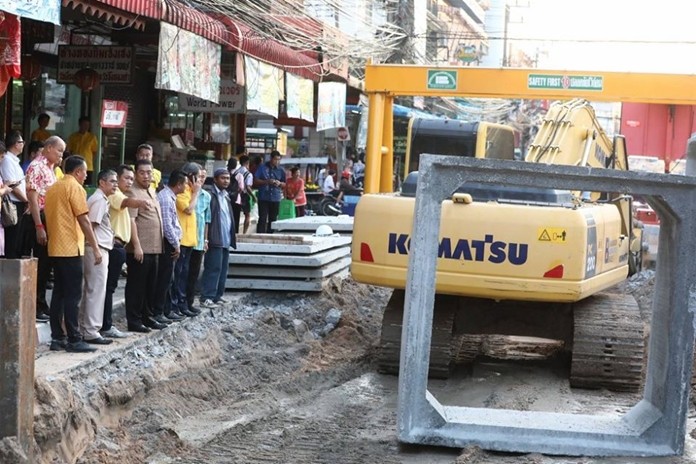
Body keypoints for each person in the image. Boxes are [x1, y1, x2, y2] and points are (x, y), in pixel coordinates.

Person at [44, 155, 102, 353]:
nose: (86, 176)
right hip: (70, 248)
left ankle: (57, 338)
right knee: (72, 295)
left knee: (59, 293)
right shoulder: (75, 187)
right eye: (85, 172)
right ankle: (74, 339)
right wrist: (95, 247)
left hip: (55, 247)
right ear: (78, 172)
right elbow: (84, 220)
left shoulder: (53, 188)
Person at [102, 164, 151, 339]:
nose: (129, 181)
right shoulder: (116, 195)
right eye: (126, 178)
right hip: (113, 245)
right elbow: (126, 203)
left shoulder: (121, 194)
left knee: (109, 288)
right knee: (108, 288)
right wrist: (140, 202)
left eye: (131, 178)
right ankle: (105, 325)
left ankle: (106, 324)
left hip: (119, 246)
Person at [25, 135, 65, 321]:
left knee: (47, 263)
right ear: (48, 148)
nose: (61, 155)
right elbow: (33, 199)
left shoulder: (51, 168)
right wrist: (39, 226)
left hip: (51, 218)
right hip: (39, 218)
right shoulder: (37, 167)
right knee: (41, 263)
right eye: (59, 151)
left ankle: (42, 303)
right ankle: (36, 306)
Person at [124, 159, 164, 333]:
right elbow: (132, 221)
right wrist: (137, 246)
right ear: (136, 173)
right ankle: (134, 321)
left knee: (150, 286)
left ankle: (148, 317)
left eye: (149, 172)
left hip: (155, 247)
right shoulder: (132, 193)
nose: (147, 175)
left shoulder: (151, 191)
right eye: (142, 172)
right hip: (140, 249)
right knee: (136, 286)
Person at [79, 169, 118, 346]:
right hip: (96, 248)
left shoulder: (100, 199)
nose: (115, 184)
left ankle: (86, 328)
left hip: (98, 247)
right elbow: (91, 226)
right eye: (112, 181)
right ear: (102, 183)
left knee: (92, 289)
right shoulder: (99, 199)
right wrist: (95, 249)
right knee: (95, 289)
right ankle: (91, 330)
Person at [152, 169, 187, 325]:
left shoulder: (169, 197)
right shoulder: (166, 198)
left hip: (170, 242)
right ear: (179, 184)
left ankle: (164, 310)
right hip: (168, 243)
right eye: (185, 183)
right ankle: (159, 311)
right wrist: (176, 244)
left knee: (168, 279)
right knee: (164, 279)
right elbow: (167, 225)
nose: (186, 186)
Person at [200, 168, 236, 309]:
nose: (226, 181)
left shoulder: (226, 195)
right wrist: (206, 238)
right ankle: (207, 297)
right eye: (223, 178)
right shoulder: (211, 195)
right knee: (213, 268)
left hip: (225, 238)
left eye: (227, 178)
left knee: (222, 269)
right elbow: (207, 218)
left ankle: (217, 296)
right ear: (215, 179)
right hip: (215, 237)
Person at [170, 163, 201, 318]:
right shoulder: (182, 193)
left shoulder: (190, 191)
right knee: (178, 275)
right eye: (198, 177)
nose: (199, 181)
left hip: (190, 240)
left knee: (185, 274)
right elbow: (188, 209)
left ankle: (183, 304)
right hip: (181, 240)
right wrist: (195, 193)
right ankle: (175, 306)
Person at [0, 131, 28, 258]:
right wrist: (26, 200)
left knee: (17, 239)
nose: (23, 145)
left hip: (19, 202)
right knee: (12, 238)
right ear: (16, 144)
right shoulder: (7, 160)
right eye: (21, 142)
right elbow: (13, 186)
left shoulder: (14, 161)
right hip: (13, 203)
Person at [186, 168, 210, 314]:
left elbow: (207, 220)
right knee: (183, 273)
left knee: (194, 274)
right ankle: (181, 304)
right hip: (186, 240)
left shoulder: (206, 196)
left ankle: (189, 302)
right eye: (198, 176)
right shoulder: (187, 193)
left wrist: (206, 239)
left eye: (203, 177)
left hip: (199, 240)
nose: (201, 179)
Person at [253, 150, 286, 233]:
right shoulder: (262, 167)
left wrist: (279, 183)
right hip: (264, 196)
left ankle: (271, 235)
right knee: (262, 218)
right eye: (275, 159)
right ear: (271, 158)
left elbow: (285, 184)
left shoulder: (281, 170)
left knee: (273, 219)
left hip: (275, 197)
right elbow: (255, 180)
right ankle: (260, 237)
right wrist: (266, 182)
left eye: (278, 160)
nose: (277, 161)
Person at [66, 116, 98, 182]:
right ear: (80, 125)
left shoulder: (92, 137)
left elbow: (94, 152)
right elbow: (69, 150)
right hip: (75, 166)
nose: (86, 127)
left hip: (88, 166)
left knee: (87, 184)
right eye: (84, 125)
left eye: (88, 125)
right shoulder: (73, 137)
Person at [237, 154, 255, 234]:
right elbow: (248, 187)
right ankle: (244, 233)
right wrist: (254, 196)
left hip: (235, 195)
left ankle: (235, 232)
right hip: (244, 195)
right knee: (247, 215)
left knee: (235, 214)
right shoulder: (248, 174)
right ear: (247, 163)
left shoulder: (236, 172)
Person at [227, 157, 246, 234]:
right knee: (235, 218)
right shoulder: (239, 175)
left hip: (226, 198)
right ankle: (235, 234)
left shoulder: (225, 173)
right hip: (236, 199)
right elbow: (241, 188)